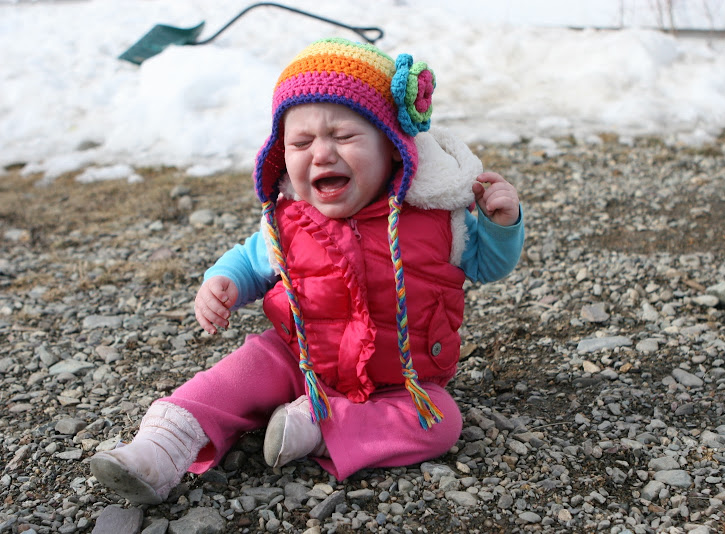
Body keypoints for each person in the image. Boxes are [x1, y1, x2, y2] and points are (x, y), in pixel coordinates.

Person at [90, 37, 524, 505]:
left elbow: (488, 265)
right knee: (235, 375)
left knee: (441, 422)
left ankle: (316, 428)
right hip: (297, 358)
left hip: (400, 383)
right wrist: (223, 282)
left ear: (392, 146)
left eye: (344, 136)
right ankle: (161, 446)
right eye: (301, 142)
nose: (321, 153)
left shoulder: (438, 219)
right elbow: (249, 261)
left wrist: (502, 225)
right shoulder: (290, 222)